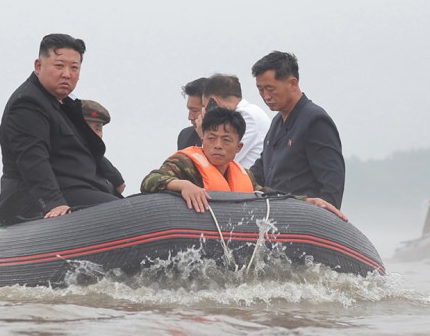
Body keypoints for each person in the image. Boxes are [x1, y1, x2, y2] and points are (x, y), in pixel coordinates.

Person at [0, 34, 121, 225]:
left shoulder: (63, 105)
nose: (67, 74)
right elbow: (32, 159)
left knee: (133, 208)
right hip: (33, 199)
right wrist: (53, 203)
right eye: (59, 66)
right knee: (118, 212)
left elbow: (84, 148)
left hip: (78, 187)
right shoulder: (27, 103)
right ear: (38, 66)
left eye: (74, 68)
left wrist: (113, 178)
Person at [141, 107, 344, 218]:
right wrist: (183, 185)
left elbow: (269, 195)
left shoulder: (243, 175)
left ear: (238, 148)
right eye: (211, 138)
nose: (217, 145)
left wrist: (308, 201)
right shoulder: (185, 162)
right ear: (203, 140)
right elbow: (150, 180)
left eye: (226, 140)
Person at [248, 51, 346, 209]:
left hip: (304, 219)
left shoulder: (315, 120)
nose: (266, 96)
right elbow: (259, 171)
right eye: (260, 90)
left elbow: (332, 184)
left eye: (270, 89)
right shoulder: (276, 122)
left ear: (293, 84)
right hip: (274, 218)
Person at [200, 74, 271, 168]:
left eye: (205, 107)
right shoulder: (252, 111)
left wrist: (203, 132)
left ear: (213, 101)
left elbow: (216, 161)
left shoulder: (246, 115)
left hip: (248, 179)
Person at [80, 99, 126, 194]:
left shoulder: (99, 159)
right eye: (86, 126)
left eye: (97, 128)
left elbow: (120, 186)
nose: (93, 133)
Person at [177, 77, 207, 149]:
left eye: (194, 110)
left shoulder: (231, 138)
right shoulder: (185, 136)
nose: (190, 117)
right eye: (189, 110)